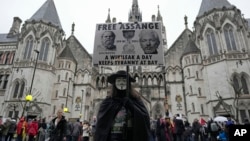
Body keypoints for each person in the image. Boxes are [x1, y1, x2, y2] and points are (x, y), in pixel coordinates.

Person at [94, 70, 151, 141]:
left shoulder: (136, 100)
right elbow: (102, 123)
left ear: (128, 83)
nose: (121, 82)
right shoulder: (108, 102)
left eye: (124, 80)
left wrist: (132, 106)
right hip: (114, 137)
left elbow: (144, 118)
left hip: (131, 136)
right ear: (115, 83)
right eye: (119, 80)